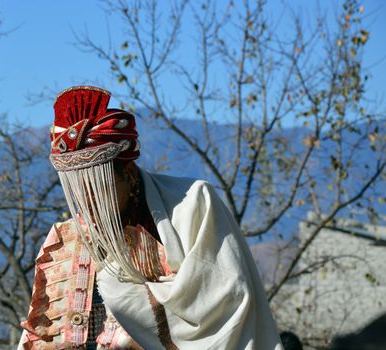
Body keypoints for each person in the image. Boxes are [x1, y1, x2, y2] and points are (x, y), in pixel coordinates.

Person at [17, 86, 283, 349]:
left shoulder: (191, 205)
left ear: (129, 174)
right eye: (77, 191)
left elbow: (223, 309)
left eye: (99, 188)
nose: (87, 204)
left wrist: (125, 291)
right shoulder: (67, 237)